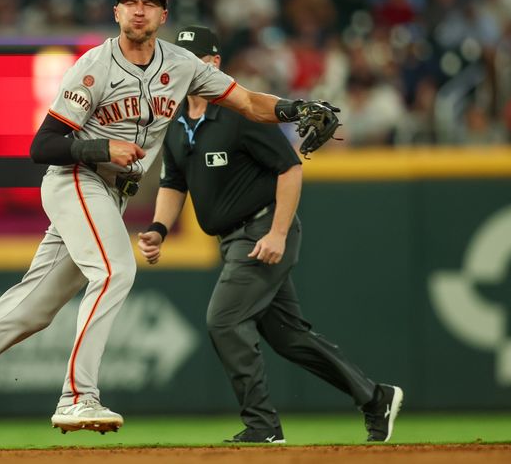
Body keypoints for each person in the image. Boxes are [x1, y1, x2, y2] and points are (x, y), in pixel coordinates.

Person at [0, 0, 339, 444]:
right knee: (115, 270)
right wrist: (103, 149)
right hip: (76, 181)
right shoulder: (94, 67)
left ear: (163, 16)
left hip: (109, 195)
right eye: (129, 1)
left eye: (148, 2)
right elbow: (43, 145)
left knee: (30, 311)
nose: (138, 9)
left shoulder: (183, 65)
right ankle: (77, 395)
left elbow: (247, 101)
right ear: (116, 13)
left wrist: (294, 108)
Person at [137, 25, 403, 444]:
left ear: (214, 64)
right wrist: (158, 227)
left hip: (261, 229)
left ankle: (263, 425)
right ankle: (374, 398)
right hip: (232, 241)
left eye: (194, 60)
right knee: (289, 338)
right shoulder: (173, 124)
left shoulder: (243, 112)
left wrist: (277, 232)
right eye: (179, 59)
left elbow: (290, 167)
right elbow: (174, 182)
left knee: (223, 321)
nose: (185, 68)